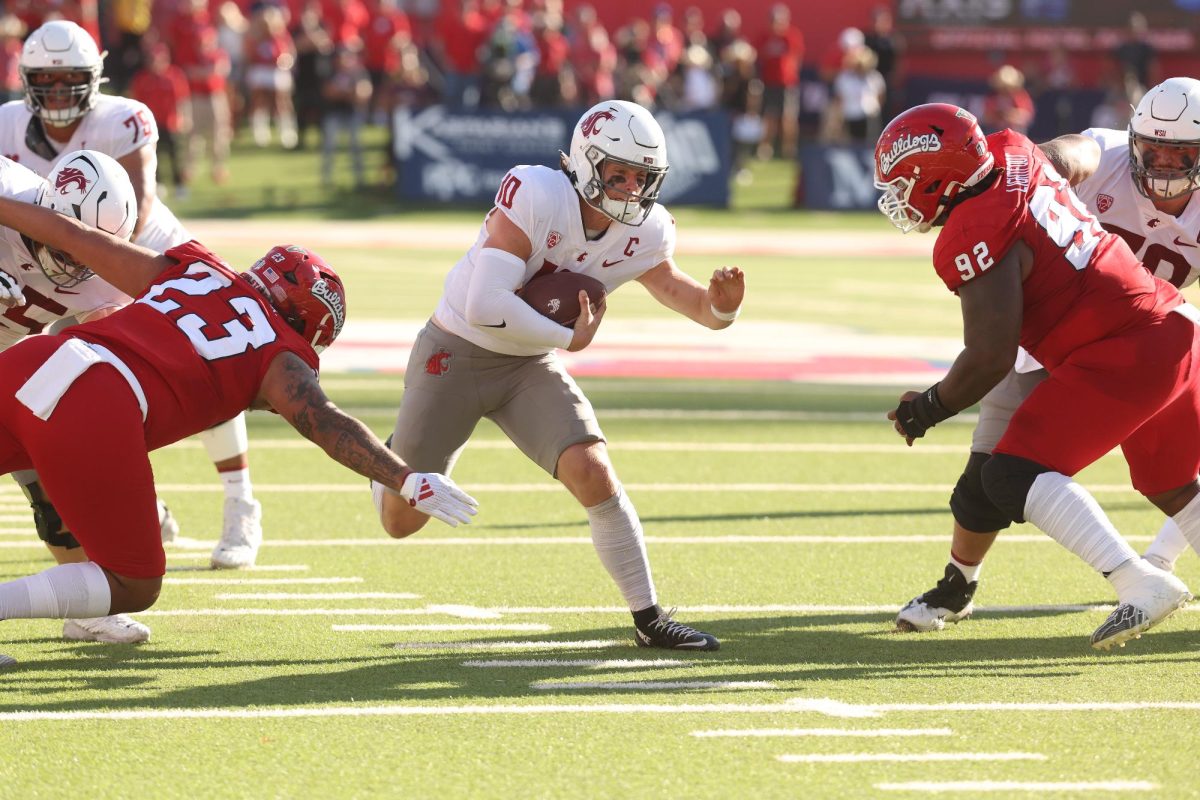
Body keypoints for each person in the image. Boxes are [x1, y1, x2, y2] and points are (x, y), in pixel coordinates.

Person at [0, 151, 477, 668]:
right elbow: (328, 423)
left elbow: (74, 236)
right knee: (133, 581)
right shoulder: (279, 353)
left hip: (38, 358)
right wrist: (405, 479)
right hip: (97, 403)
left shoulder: (197, 268)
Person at [376, 100, 745, 651]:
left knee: (593, 471)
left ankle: (649, 619)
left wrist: (722, 307)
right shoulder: (537, 194)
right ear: (584, 163)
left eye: (640, 177)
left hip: (528, 365)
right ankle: (384, 456)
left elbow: (689, 300)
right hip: (454, 350)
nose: (628, 188)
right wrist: (570, 338)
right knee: (401, 523)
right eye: (617, 174)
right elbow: (484, 304)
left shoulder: (646, 232)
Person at [875, 102, 1196, 651]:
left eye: (906, 181)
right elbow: (1055, 159)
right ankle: (961, 585)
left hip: (1119, 349)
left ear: (936, 177)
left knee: (1008, 475)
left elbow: (990, 356)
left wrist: (924, 408)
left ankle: (1138, 582)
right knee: (1172, 485)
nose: (900, 196)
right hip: (1167, 329)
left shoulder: (971, 233)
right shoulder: (1014, 152)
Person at [0, 22, 266, 608]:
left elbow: (137, 206)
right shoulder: (11, 164)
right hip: (47, 243)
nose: (62, 91)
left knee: (201, 352)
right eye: (48, 79)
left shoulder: (124, 124)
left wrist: (95, 254)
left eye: (74, 78)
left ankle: (236, 498)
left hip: (137, 247)